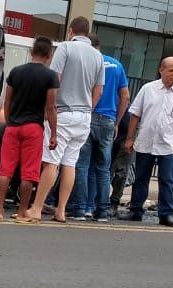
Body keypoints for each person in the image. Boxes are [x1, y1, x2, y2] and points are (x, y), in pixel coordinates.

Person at [25, 16, 104, 223]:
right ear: (87, 33)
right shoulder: (98, 56)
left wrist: (47, 110)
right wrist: (88, 109)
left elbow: (54, 80)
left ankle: (37, 208)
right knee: (70, 163)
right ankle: (61, 210)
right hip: (84, 117)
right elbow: (99, 89)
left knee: (51, 163)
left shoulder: (66, 48)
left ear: (71, 31)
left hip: (63, 114)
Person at [119, 57, 173, 227]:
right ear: (161, 70)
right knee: (141, 178)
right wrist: (130, 138)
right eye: (171, 70)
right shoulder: (148, 89)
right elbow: (135, 115)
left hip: (168, 144)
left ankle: (165, 214)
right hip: (146, 141)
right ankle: (135, 210)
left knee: (167, 179)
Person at [0, 37, 59, 223]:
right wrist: (54, 133)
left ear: (31, 51)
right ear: (49, 55)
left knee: (5, 170)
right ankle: (22, 213)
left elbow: (7, 100)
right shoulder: (50, 76)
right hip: (33, 128)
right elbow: (51, 107)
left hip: (13, 127)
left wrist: (10, 119)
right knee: (28, 173)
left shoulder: (16, 72)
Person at [66, 34, 129, 221]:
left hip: (89, 116)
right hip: (108, 121)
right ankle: (101, 210)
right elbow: (125, 96)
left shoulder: (90, 63)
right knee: (103, 168)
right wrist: (117, 121)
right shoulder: (117, 65)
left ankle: (80, 209)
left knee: (83, 165)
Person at [109, 110, 132, 216]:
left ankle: (114, 202)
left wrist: (130, 138)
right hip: (111, 130)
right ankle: (102, 200)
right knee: (105, 169)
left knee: (120, 170)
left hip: (126, 132)